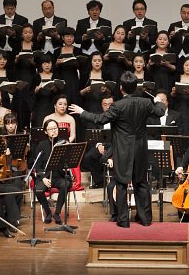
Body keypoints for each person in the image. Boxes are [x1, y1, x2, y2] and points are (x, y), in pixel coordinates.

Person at [70, 71, 166, 228]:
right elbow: (160, 111)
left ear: (121, 88)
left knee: (121, 184)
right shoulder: (146, 103)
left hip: (123, 150)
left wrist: (82, 112)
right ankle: (145, 219)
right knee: (141, 183)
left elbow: (99, 119)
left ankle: (123, 220)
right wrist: (158, 101)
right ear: (136, 87)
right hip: (140, 149)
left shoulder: (118, 105)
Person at [34, 119, 72, 224]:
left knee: (66, 184)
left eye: (55, 128)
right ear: (45, 131)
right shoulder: (41, 145)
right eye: (50, 129)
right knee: (38, 190)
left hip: (59, 177)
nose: (54, 131)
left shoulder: (63, 142)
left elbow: (69, 161)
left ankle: (57, 213)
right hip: (46, 177)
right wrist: (43, 178)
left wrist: (67, 166)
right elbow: (37, 165)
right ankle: (48, 212)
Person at [81, 96, 114, 189]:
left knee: (104, 158)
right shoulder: (98, 118)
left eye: (110, 104)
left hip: (116, 146)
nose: (107, 107)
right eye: (105, 104)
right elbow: (93, 134)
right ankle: (100, 181)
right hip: (102, 145)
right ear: (101, 105)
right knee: (88, 157)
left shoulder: (118, 118)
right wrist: (99, 144)